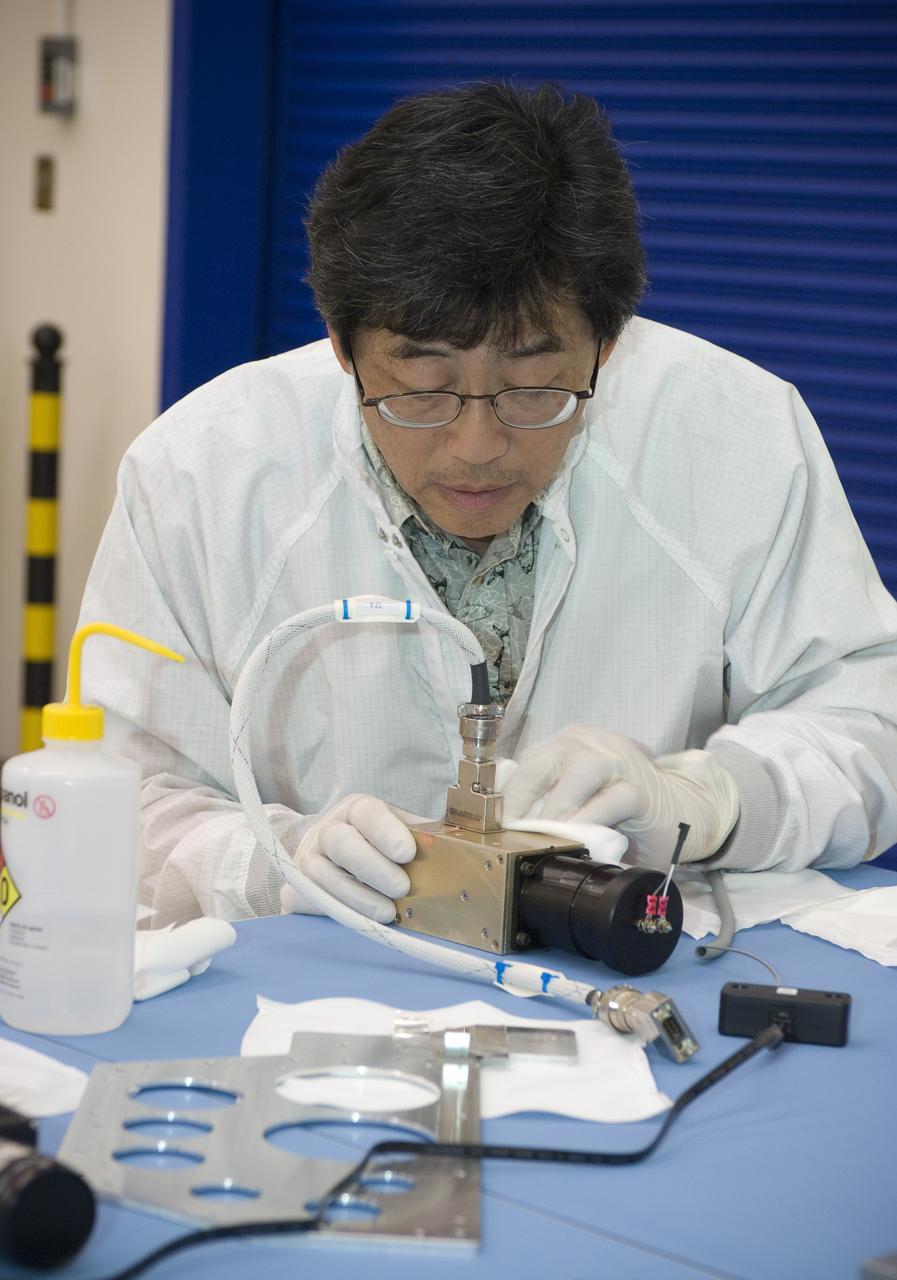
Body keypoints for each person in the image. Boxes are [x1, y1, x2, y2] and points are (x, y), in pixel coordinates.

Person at [78, 83, 897, 928]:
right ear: (342, 349)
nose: (475, 446)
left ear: (607, 347)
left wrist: (709, 798)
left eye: (533, 388)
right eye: (421, 391)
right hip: (310, 996)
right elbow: (115, 795)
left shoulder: (736, 436)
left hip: (646, 972)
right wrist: (269, 863)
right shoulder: (203, 472)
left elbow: (869, 724)